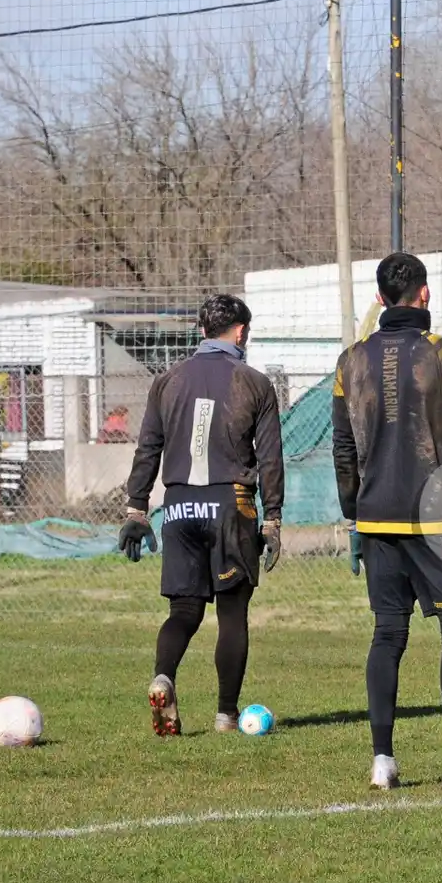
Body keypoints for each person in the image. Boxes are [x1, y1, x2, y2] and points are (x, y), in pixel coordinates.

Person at [331, 251, 442, 793]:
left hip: (376, 519)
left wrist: (354, 513)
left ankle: (382, 762)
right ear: (425, 294)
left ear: (380, 298)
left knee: (388, 634)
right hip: (439, 521)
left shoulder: (350, 361)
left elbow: (343, 448)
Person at [119, 294, 285, 735]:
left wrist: (137, 509)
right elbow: (270, 458)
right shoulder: (254, 382)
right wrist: (272, 520)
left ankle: (163, 677)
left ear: (201, 331)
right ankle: (226, 715)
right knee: (232, 613)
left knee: (184, 611)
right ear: (241, 332)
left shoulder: (167, 380)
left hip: (178, 506)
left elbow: (148, 447)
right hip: (231, 504)